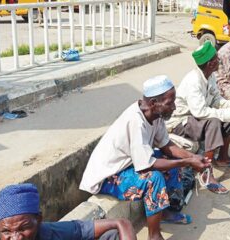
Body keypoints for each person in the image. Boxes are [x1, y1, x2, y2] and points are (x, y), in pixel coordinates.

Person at [80, 75, 210, 240]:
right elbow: (147, 166)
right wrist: (187, 161)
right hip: (108, 176)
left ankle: (165, 212)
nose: (174, 107)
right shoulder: (136, 121)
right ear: (154, 103)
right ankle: (154, 235)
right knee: (153, 180)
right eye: (170, 103)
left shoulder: (155, 115)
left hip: (129, 164)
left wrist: (194, 157)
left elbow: (167, 146)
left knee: (171, 163)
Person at [166, 41, 230, 194]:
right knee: (214, 122)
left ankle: (222, 157)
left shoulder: (210, 76)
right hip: (180, 122)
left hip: (195, 118)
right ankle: (206, 173)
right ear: (210, 63)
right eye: (216, 58)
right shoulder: (193, 81)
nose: (219, 60)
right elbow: (200, 112)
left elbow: (216, 101)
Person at [0, 183, 136, 240]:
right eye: (6, 231)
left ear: (39, 220)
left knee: (113, 236)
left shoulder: (51, 232)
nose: (15, 238)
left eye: (23, 228)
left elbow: (121, 223)